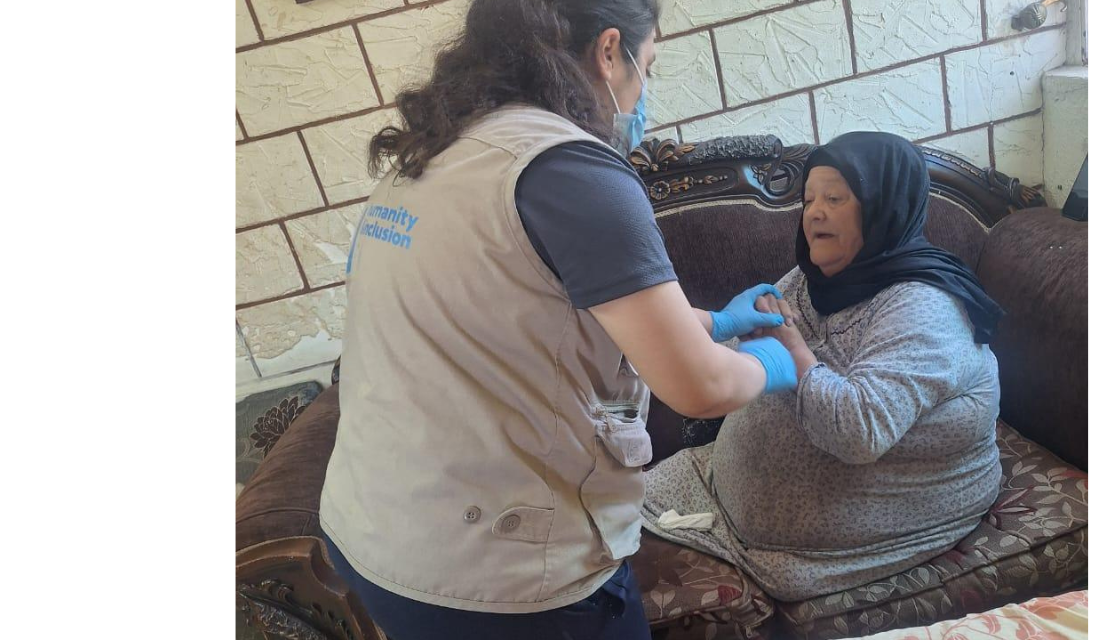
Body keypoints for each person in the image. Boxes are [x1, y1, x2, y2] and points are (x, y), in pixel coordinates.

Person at [312, 0, 799, 638]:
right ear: (609, 51)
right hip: (500, 577)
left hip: (374, 534)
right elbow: (699, 386)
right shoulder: (568, 170)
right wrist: (778, 361)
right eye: (647, 66)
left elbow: (529, 316)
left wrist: (717, 324)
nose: (644, 92)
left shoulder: (431, 156)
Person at [639, 131, 1009, 601]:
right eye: (809, 199)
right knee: (602, 518)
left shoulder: (924, 307)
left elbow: (859, 432)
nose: (814, 213)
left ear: (884, 208)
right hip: (712, 484)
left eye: (834, 198)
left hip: (831, 542)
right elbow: (734, 358)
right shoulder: (813, 277)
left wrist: (793, 353)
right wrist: (723, 328)